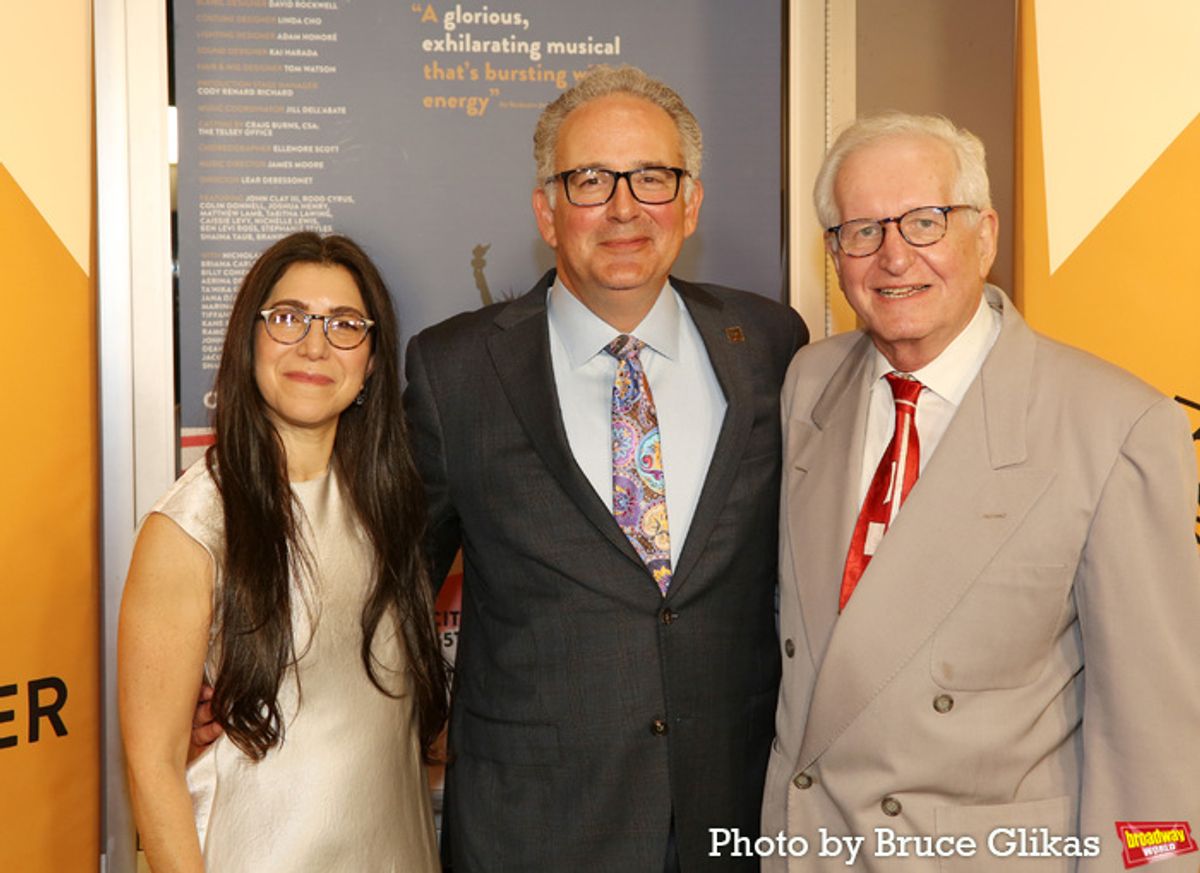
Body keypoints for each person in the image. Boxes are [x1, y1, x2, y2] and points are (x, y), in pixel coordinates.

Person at [761, 113, 1200, 871]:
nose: (894, 256)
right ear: (833, 254)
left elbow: (1153, 736)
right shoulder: (808, 384)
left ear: (986, 235)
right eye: (861, 230)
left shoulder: (1115, 426)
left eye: (926, 221)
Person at [403, 65, 808, 871]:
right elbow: (387, 583)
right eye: (589, 179)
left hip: (735, 825)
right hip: (535, 830)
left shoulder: (771, 345)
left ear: (689, 202)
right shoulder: (455, 370)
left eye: (652, 177)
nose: (624, 207)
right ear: (547, 212)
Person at [119, 232, 448, 872]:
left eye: (345, 324)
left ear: (373, 362)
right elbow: (153, 767)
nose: (315, 345)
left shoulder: (389, 507)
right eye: (289, 318)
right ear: (250, 341)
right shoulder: (190, 528)